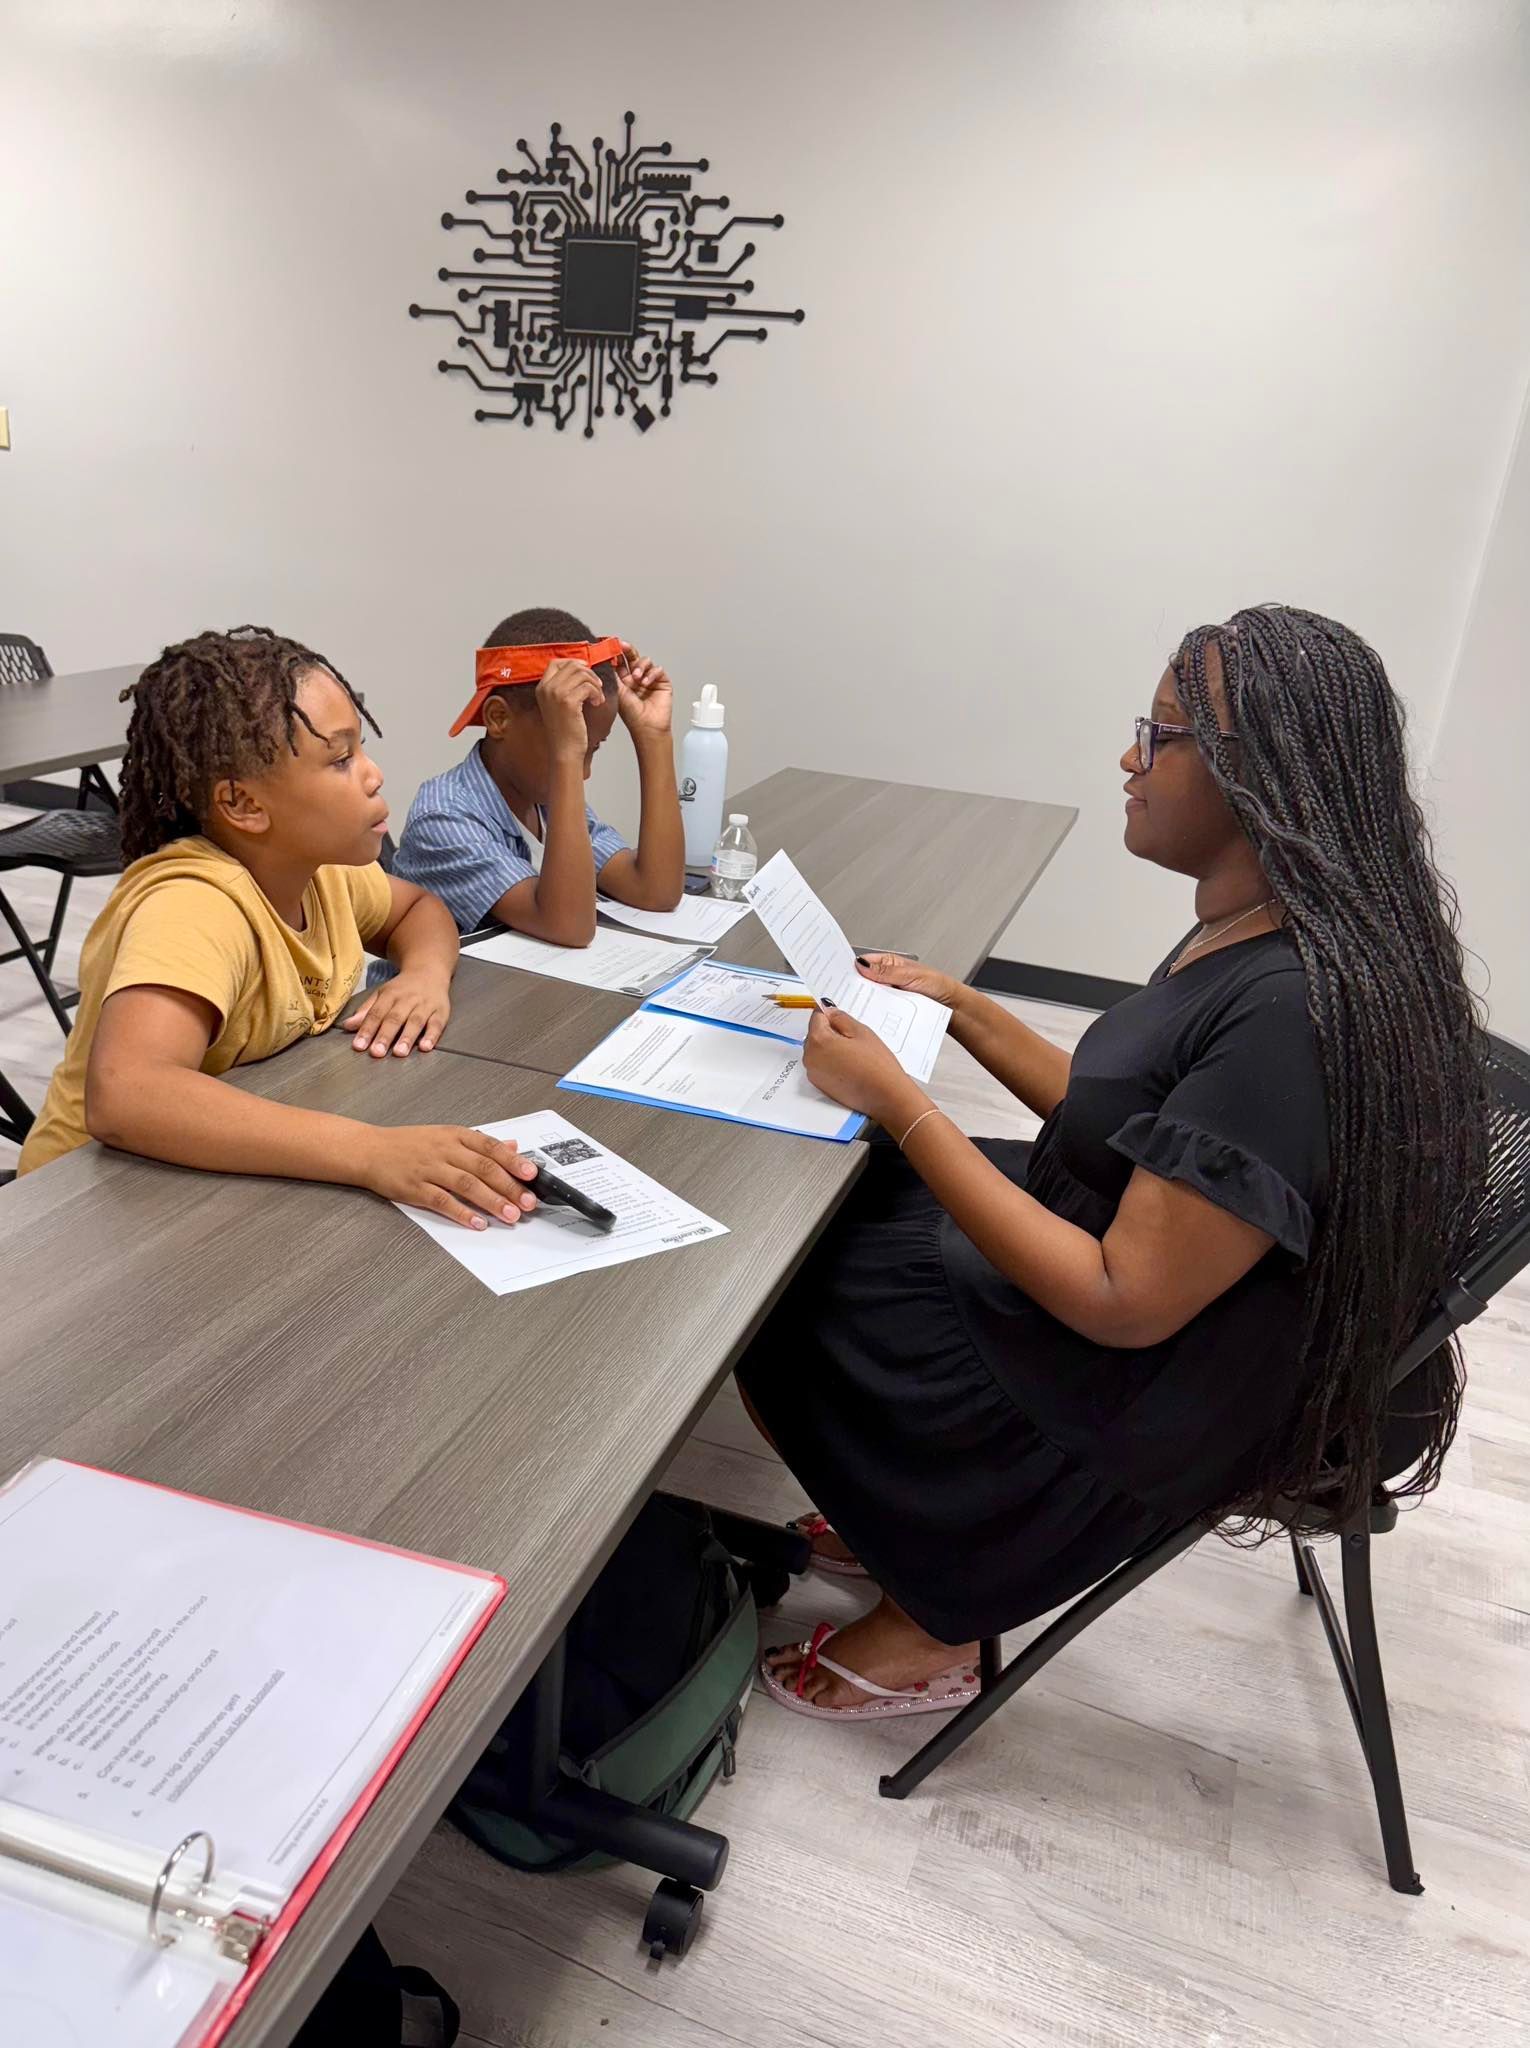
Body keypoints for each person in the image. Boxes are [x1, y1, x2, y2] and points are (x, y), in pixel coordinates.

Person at [743, 604, 1487, 1721]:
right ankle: (897, 1506)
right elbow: (1123, 1120)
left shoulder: (1291, 1011)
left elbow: (1121, 1299)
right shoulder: (1253, 923)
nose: (1128, 758)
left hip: (1142, 1393)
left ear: (1257, 775)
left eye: (1162, 733)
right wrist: (956, 1006)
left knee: (784, 1286)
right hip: (1159, 1305)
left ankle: (940, 1604)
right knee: (832, 1204)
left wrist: (901, 1102)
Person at [17, 627, 541, 1233]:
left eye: (361, 750)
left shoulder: (321, 874)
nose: (373, 775)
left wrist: (424, 975)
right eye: (341, 759)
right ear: (243, 805)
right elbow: (128, 1092)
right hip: (77, 1215)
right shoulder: (195, 905)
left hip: (199, 1184)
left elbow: (419, 909)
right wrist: (370, 1151)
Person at [393, 606, 684, 945]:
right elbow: (569, 927)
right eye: (569, 748)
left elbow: (655, 891)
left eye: (593, 750)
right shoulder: (442, 817)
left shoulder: (542, 802)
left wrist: (654, 736)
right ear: (499, 718)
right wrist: (568, 757)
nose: (583, 773)